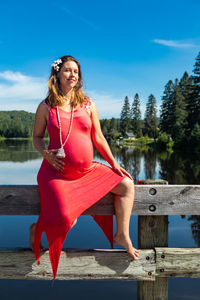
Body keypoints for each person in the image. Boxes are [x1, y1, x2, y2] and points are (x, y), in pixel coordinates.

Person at [30, 55, 140, 280]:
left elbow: (98, 138)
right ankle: (36, 230)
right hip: (56, 173)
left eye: (76, 72)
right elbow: (37, 137)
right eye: (68, 70)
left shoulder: (88, 104)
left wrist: (115, 165)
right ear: (58, 74)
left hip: (87, 172)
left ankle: (122, 235)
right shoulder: (46, 106)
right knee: (66, 218)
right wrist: (45, 154)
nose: (73, 75)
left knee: (127, 185)